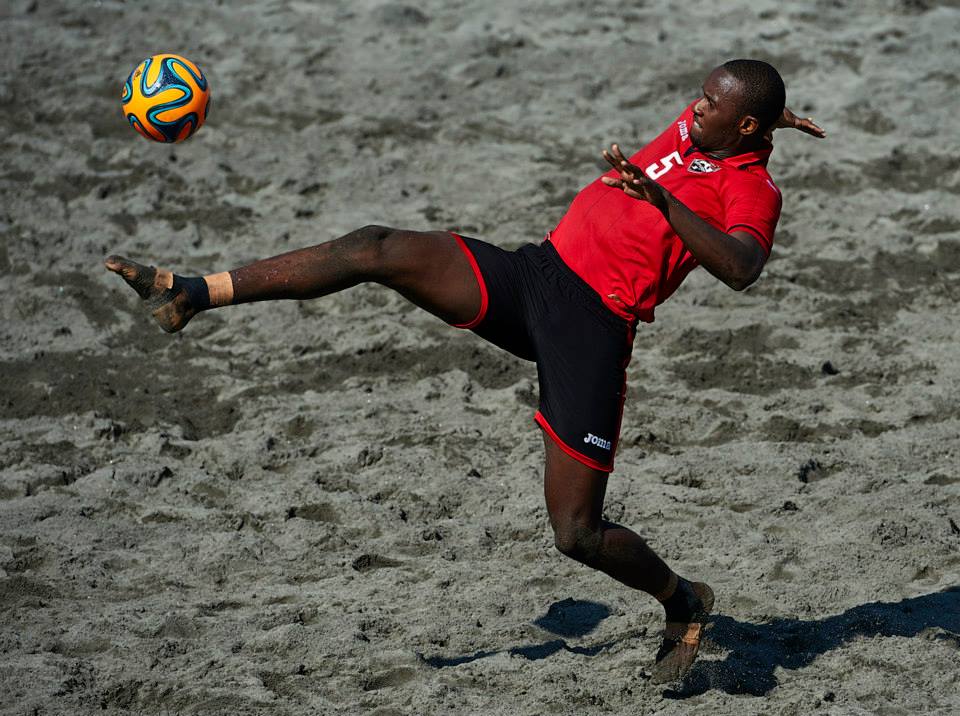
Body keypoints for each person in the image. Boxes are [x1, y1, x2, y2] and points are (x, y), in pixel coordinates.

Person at [105, 59, 825, 684]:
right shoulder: (712, 125)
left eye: (711, 105)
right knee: (375, 248)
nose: (693, 108)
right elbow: (740, 110)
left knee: (575, 534)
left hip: (592, 330)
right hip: (535, 274)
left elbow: (742, 268)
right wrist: (772, 114)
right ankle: (195, 291)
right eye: (698, 95)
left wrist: (664, 198)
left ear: (746, 132)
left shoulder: (752, 189)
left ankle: (682, 600)